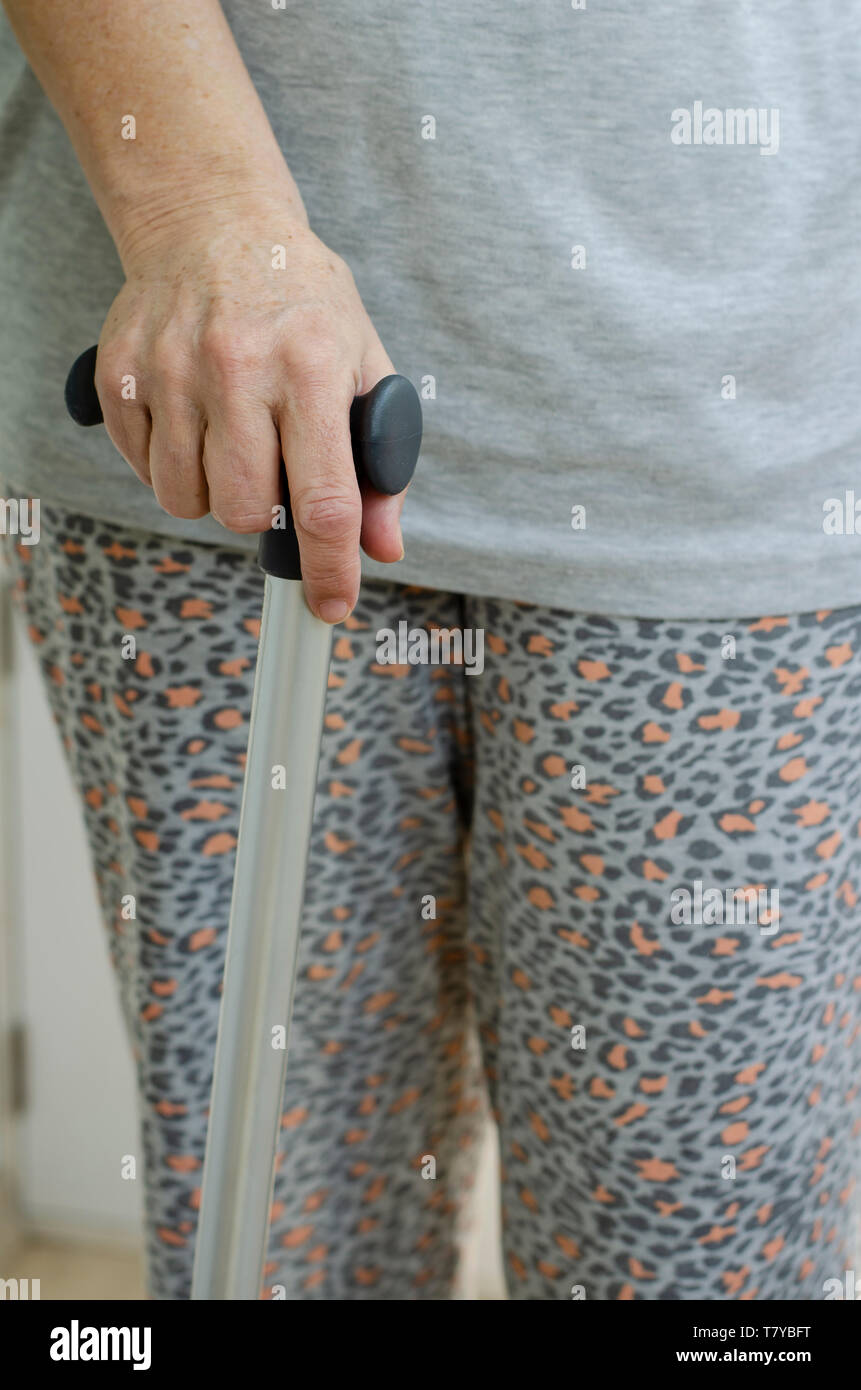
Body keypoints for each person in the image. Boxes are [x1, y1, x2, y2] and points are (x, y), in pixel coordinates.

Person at [1, 0, 860, 1301]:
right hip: (215, 414)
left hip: (743, 442)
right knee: (284, 1247)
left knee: (705, 1281)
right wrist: (199, 215)